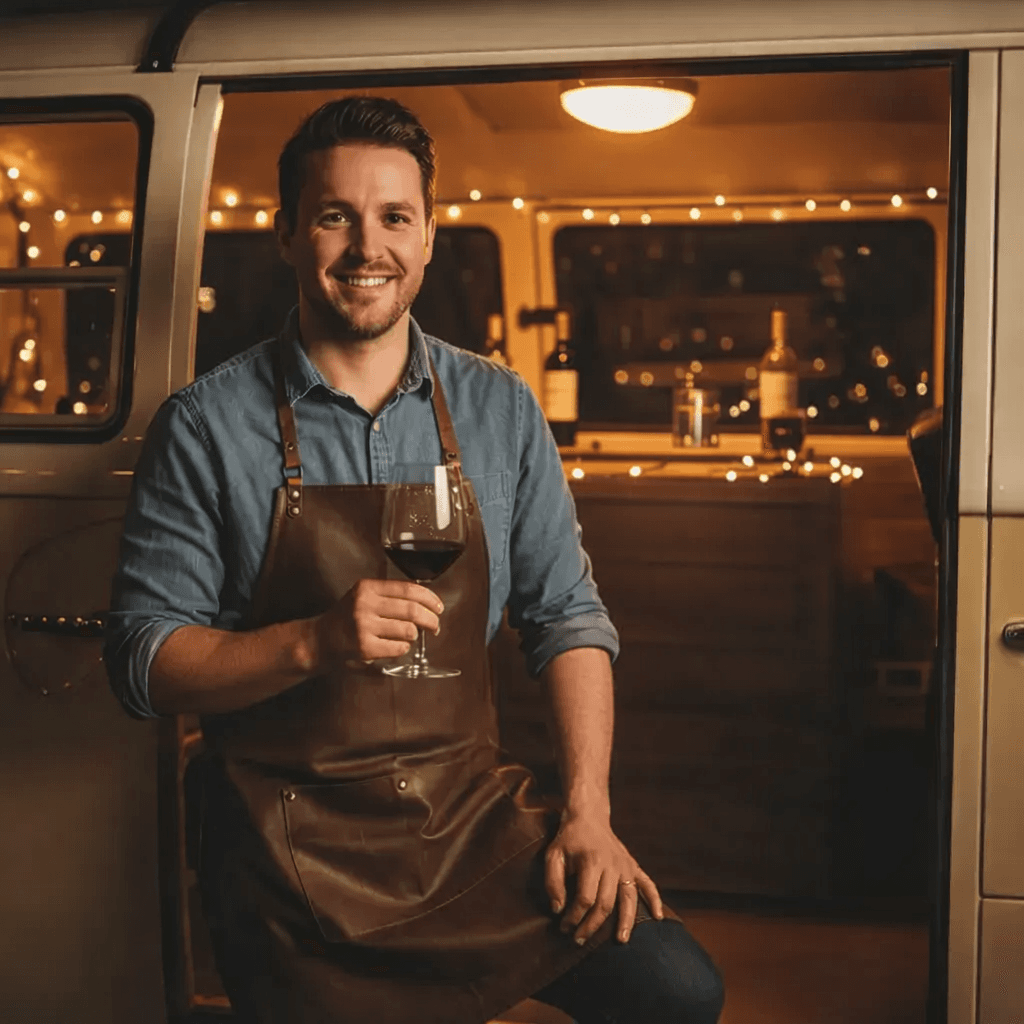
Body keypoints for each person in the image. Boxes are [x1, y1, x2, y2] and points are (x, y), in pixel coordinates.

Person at [104, 96, 724, 1024]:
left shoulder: (502, 409)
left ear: (430, 236)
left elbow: (569, 617)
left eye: (395, 216)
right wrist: (313, 642)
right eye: (334, 215)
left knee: (677, 988)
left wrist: (588, 812)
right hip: (286, 842)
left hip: (465, 816)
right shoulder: (203, 426)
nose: (368, 246)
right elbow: (142, 661)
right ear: (287, 236)